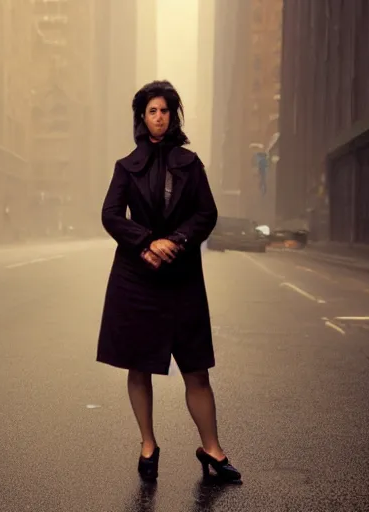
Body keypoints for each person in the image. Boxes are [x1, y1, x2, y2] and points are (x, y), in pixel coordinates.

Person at [97, 80, 240, 483]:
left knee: (196, 369)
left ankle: (211, 448)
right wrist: (146, 242)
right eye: (152, 111)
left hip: (181, 278)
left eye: (165, 110)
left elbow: (206, 214)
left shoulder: (191, 164)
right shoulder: (125, 167)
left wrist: (175, 241)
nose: (159, 118)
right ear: (142, 118)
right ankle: (148, 443)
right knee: (139, 367)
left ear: (174, 116)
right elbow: (110, 215)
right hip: (136, 278)